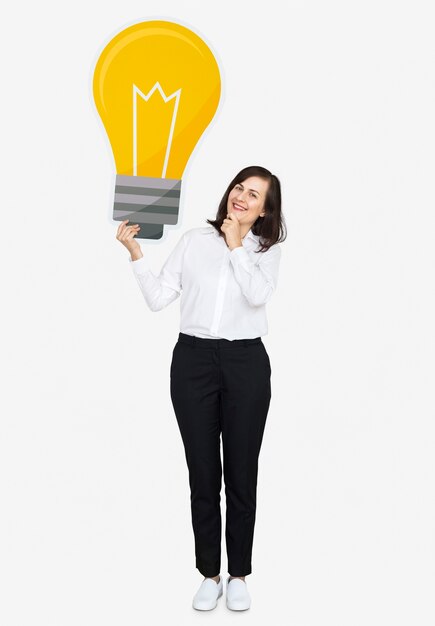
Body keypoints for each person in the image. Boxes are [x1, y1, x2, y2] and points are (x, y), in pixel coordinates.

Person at [116, 165, 286, 611]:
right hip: (193, 361)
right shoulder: (194, 241)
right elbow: (158, 299)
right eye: (238, 188)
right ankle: (210, 573)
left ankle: (239, 574)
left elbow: (256, 295)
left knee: (242, 471)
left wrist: (235, 246)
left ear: (265, 209)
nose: (242, 197)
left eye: (254, 194)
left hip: (246, 363)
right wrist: (135, 253)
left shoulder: (265, 250)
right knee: (203, 472)